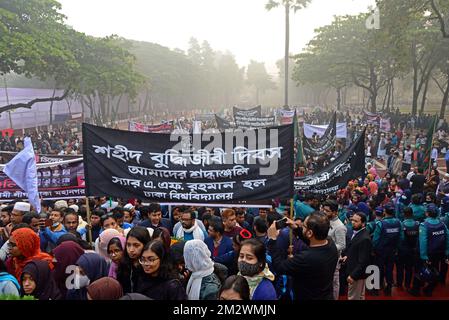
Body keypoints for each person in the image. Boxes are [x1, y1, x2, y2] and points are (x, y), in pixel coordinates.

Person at [267, 212, 338, 300]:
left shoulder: (305, 258)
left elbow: (279, 267)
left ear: (310, 233)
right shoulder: (331, 244)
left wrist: (272, 240)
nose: (301, 226)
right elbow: (311, 240)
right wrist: (296, 228)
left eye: (303, 226)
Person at [409, 204, 449, 296]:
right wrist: (447, 252)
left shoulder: (424, 225)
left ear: (427, 213)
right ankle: (429, 290)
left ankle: (416, 290)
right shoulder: (442, 225)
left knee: (419, 271)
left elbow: (423, 242)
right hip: (438, 253)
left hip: (426, 254)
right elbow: (447, 238)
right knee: (435, 271)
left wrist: (423, 256)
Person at [372, 203, 403, 296]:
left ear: (384, 212)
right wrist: (397, 248)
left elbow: (375, 239)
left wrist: (373, 250)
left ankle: (376, 290)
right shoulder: (399, 222)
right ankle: (388, 289)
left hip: (381, 251)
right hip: (392, 250)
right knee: (389, 269)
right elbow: (401, 237)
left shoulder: (380, 223)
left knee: (378, 269)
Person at [341, 212, 372, 300]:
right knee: (360, 296)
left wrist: (353, 275)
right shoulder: (358, 233)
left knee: (353, 297)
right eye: (352, 220)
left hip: (357, 274)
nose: (353, 222)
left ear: (363, 223)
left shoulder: (364, 238)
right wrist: (347, 256)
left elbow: (363, 261)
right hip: (356, 271)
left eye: (356, 221)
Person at [322, 199, 347, 300]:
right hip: (323, 257)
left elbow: (342, 245)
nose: (324, 212)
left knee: (334, 283)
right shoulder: (325, 221)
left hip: (333, 259)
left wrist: (325, 246)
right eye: (324, 210)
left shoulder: (340, 227)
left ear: (335, 212)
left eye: (327, 211)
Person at [117, 226, 152, 294]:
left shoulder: (150, 266)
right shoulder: (123, 264)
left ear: (145, 245)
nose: (131, 250)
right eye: (128, 245)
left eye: (136, 245)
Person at [396, 207, 419, 290]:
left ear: (404, 214)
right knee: (409, 268)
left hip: (402, 250)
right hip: (413, 250)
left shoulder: (401, 224)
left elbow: (399, 239)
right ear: (412, 214)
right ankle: (407, 284)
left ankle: (399, 284)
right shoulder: (417, 224)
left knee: (400, 268)